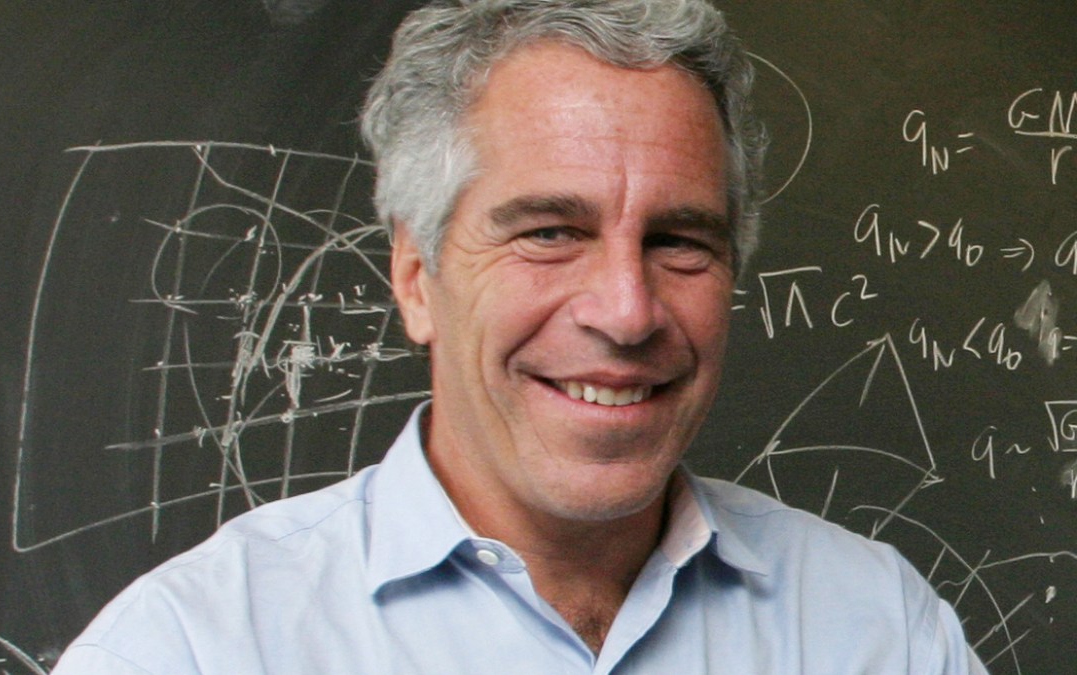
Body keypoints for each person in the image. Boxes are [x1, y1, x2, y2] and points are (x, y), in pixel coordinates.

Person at [54, 1, 988, 672]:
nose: (626, 311)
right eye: (549, 232)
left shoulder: (882, 632)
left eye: (679, 241)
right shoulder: (196, 647)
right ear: (416, 280)